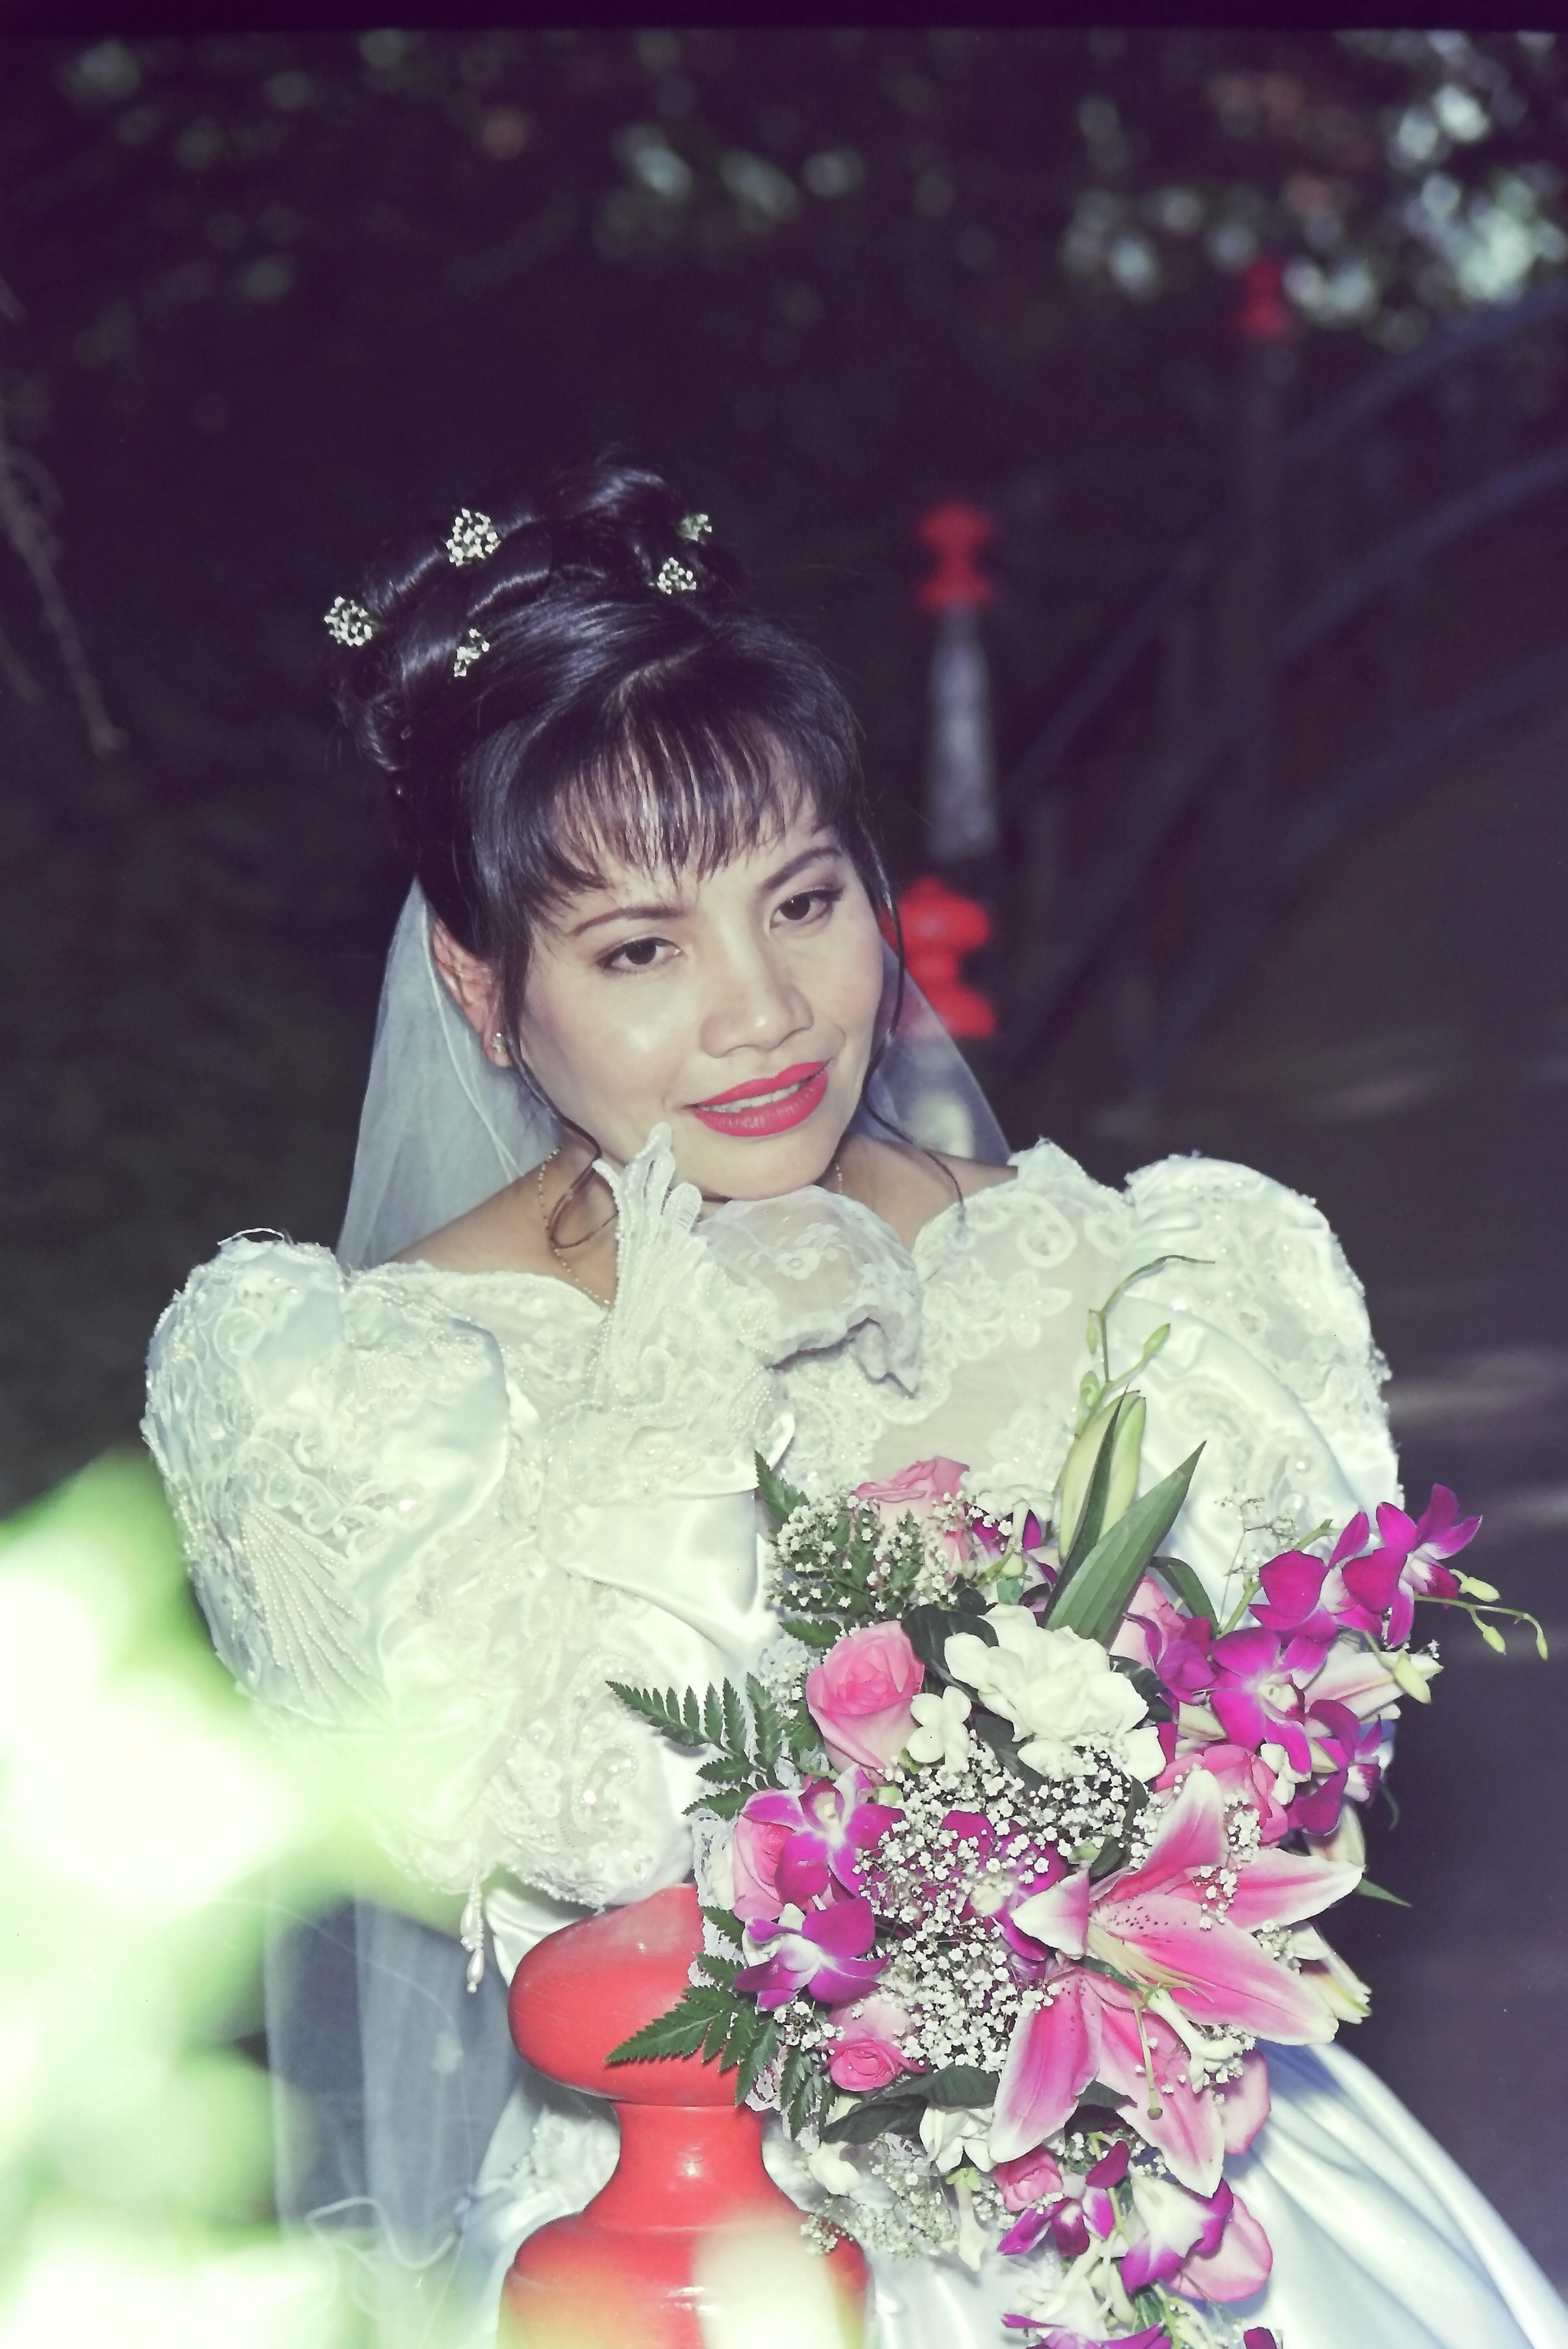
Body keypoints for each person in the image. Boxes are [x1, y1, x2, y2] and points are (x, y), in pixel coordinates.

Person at [143, 461, 1567, 2349]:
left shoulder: (1132, 1280)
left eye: (802, 900)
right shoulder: (366, 1384)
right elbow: (554, 1829)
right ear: (486, 991)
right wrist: (687, 1382)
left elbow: (1282, 1748)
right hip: (664, 2237)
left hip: (1143, 2174)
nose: (761, 1010)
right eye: (639, 948)